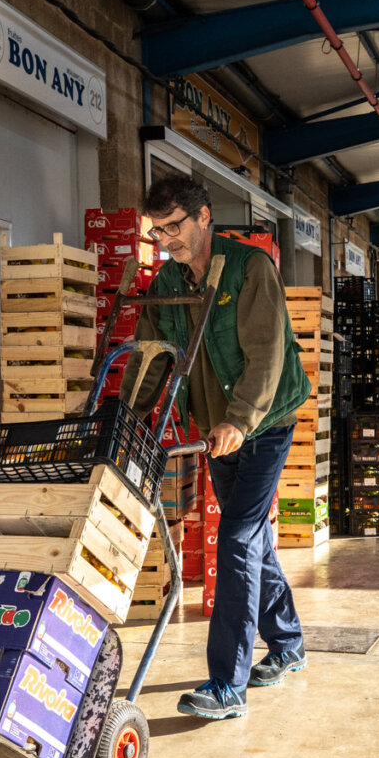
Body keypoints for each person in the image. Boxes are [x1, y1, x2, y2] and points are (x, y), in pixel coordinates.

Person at [131, 176, 312, 720]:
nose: (166, 239)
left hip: (265, 421)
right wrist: (127, 419)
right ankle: (289, 643)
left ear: (204, 216)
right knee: (252, 538)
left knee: (235, 538)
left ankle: (226, 686)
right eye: (157, 230)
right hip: (217, 429)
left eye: (175, 227)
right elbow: (153, 357)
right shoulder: (166, 280)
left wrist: (241, 419)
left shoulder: (249, 269)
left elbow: (266, 353)